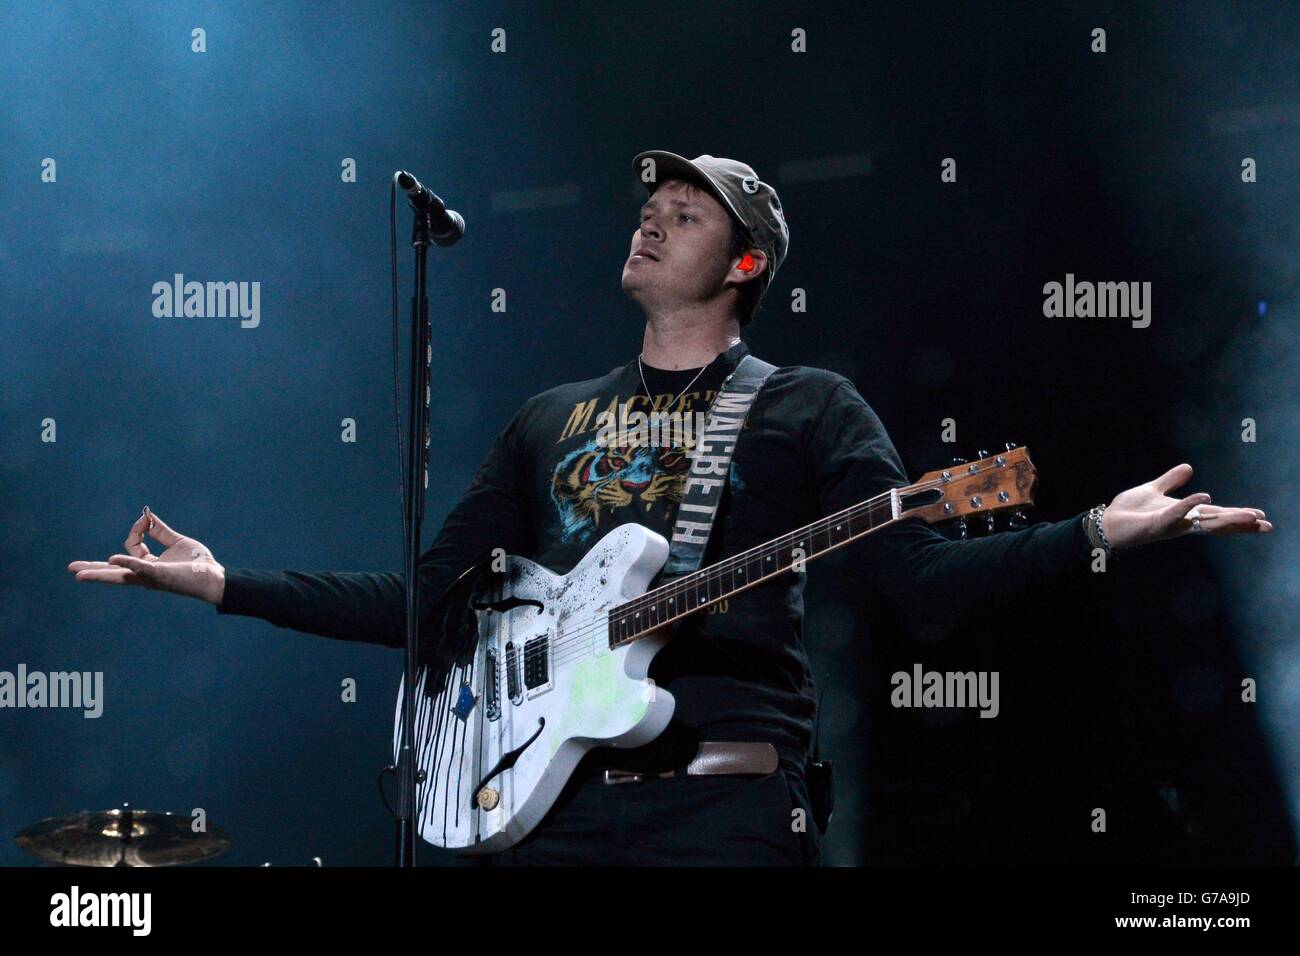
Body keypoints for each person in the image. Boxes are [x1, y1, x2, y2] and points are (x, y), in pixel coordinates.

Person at [68, 151, 1272, 866]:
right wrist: (228, 585)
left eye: (686, 213)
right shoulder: (549, 417)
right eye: (650, 205)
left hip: (723, 806)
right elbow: (429, 602)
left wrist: (1095, 534)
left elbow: (926, 585)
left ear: (745, 263)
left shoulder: (805, 404)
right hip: (538, 815)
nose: (649, 218)